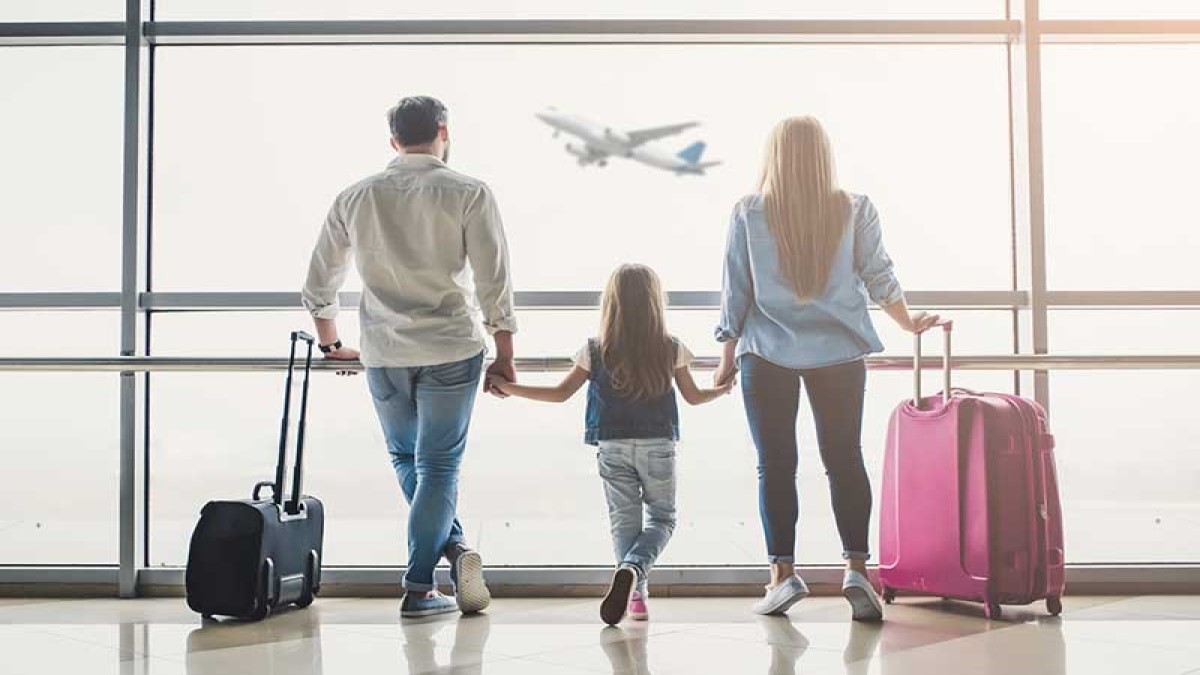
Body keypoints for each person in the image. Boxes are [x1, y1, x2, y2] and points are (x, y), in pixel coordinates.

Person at [714, 117, 938, 621]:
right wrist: (906, 323)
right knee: (844, 459)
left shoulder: (749, 212)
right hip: (839, 352)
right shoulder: (854, 209)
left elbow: (737, 290)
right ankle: (857, 571)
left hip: (766, 352)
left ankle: (782, 577)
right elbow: (879, 273)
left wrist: (727, 355)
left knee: (776, 465)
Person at [301, 95, 517, 618]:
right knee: (438, 466)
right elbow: (494, 281)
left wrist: (332, 344)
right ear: (444, 131)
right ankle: (420, 585)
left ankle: (455, 548)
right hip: (451, 346)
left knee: (408, 460)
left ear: (393, 140)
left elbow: (318, 283)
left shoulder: (356, 196)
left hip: (384, 352)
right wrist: (506, 353)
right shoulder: (470, 191)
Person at [488, 264, 732, 625]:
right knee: (662, 519)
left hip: (613, 444)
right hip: (658, 446)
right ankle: (634, 571)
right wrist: (724, 388)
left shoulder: (595, 349)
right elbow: (694, 397)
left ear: (612, 304)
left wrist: (508, 387)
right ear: (654, 303)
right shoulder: (670, 347)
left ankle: (636, 597)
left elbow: (559, 394)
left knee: (624, 523)